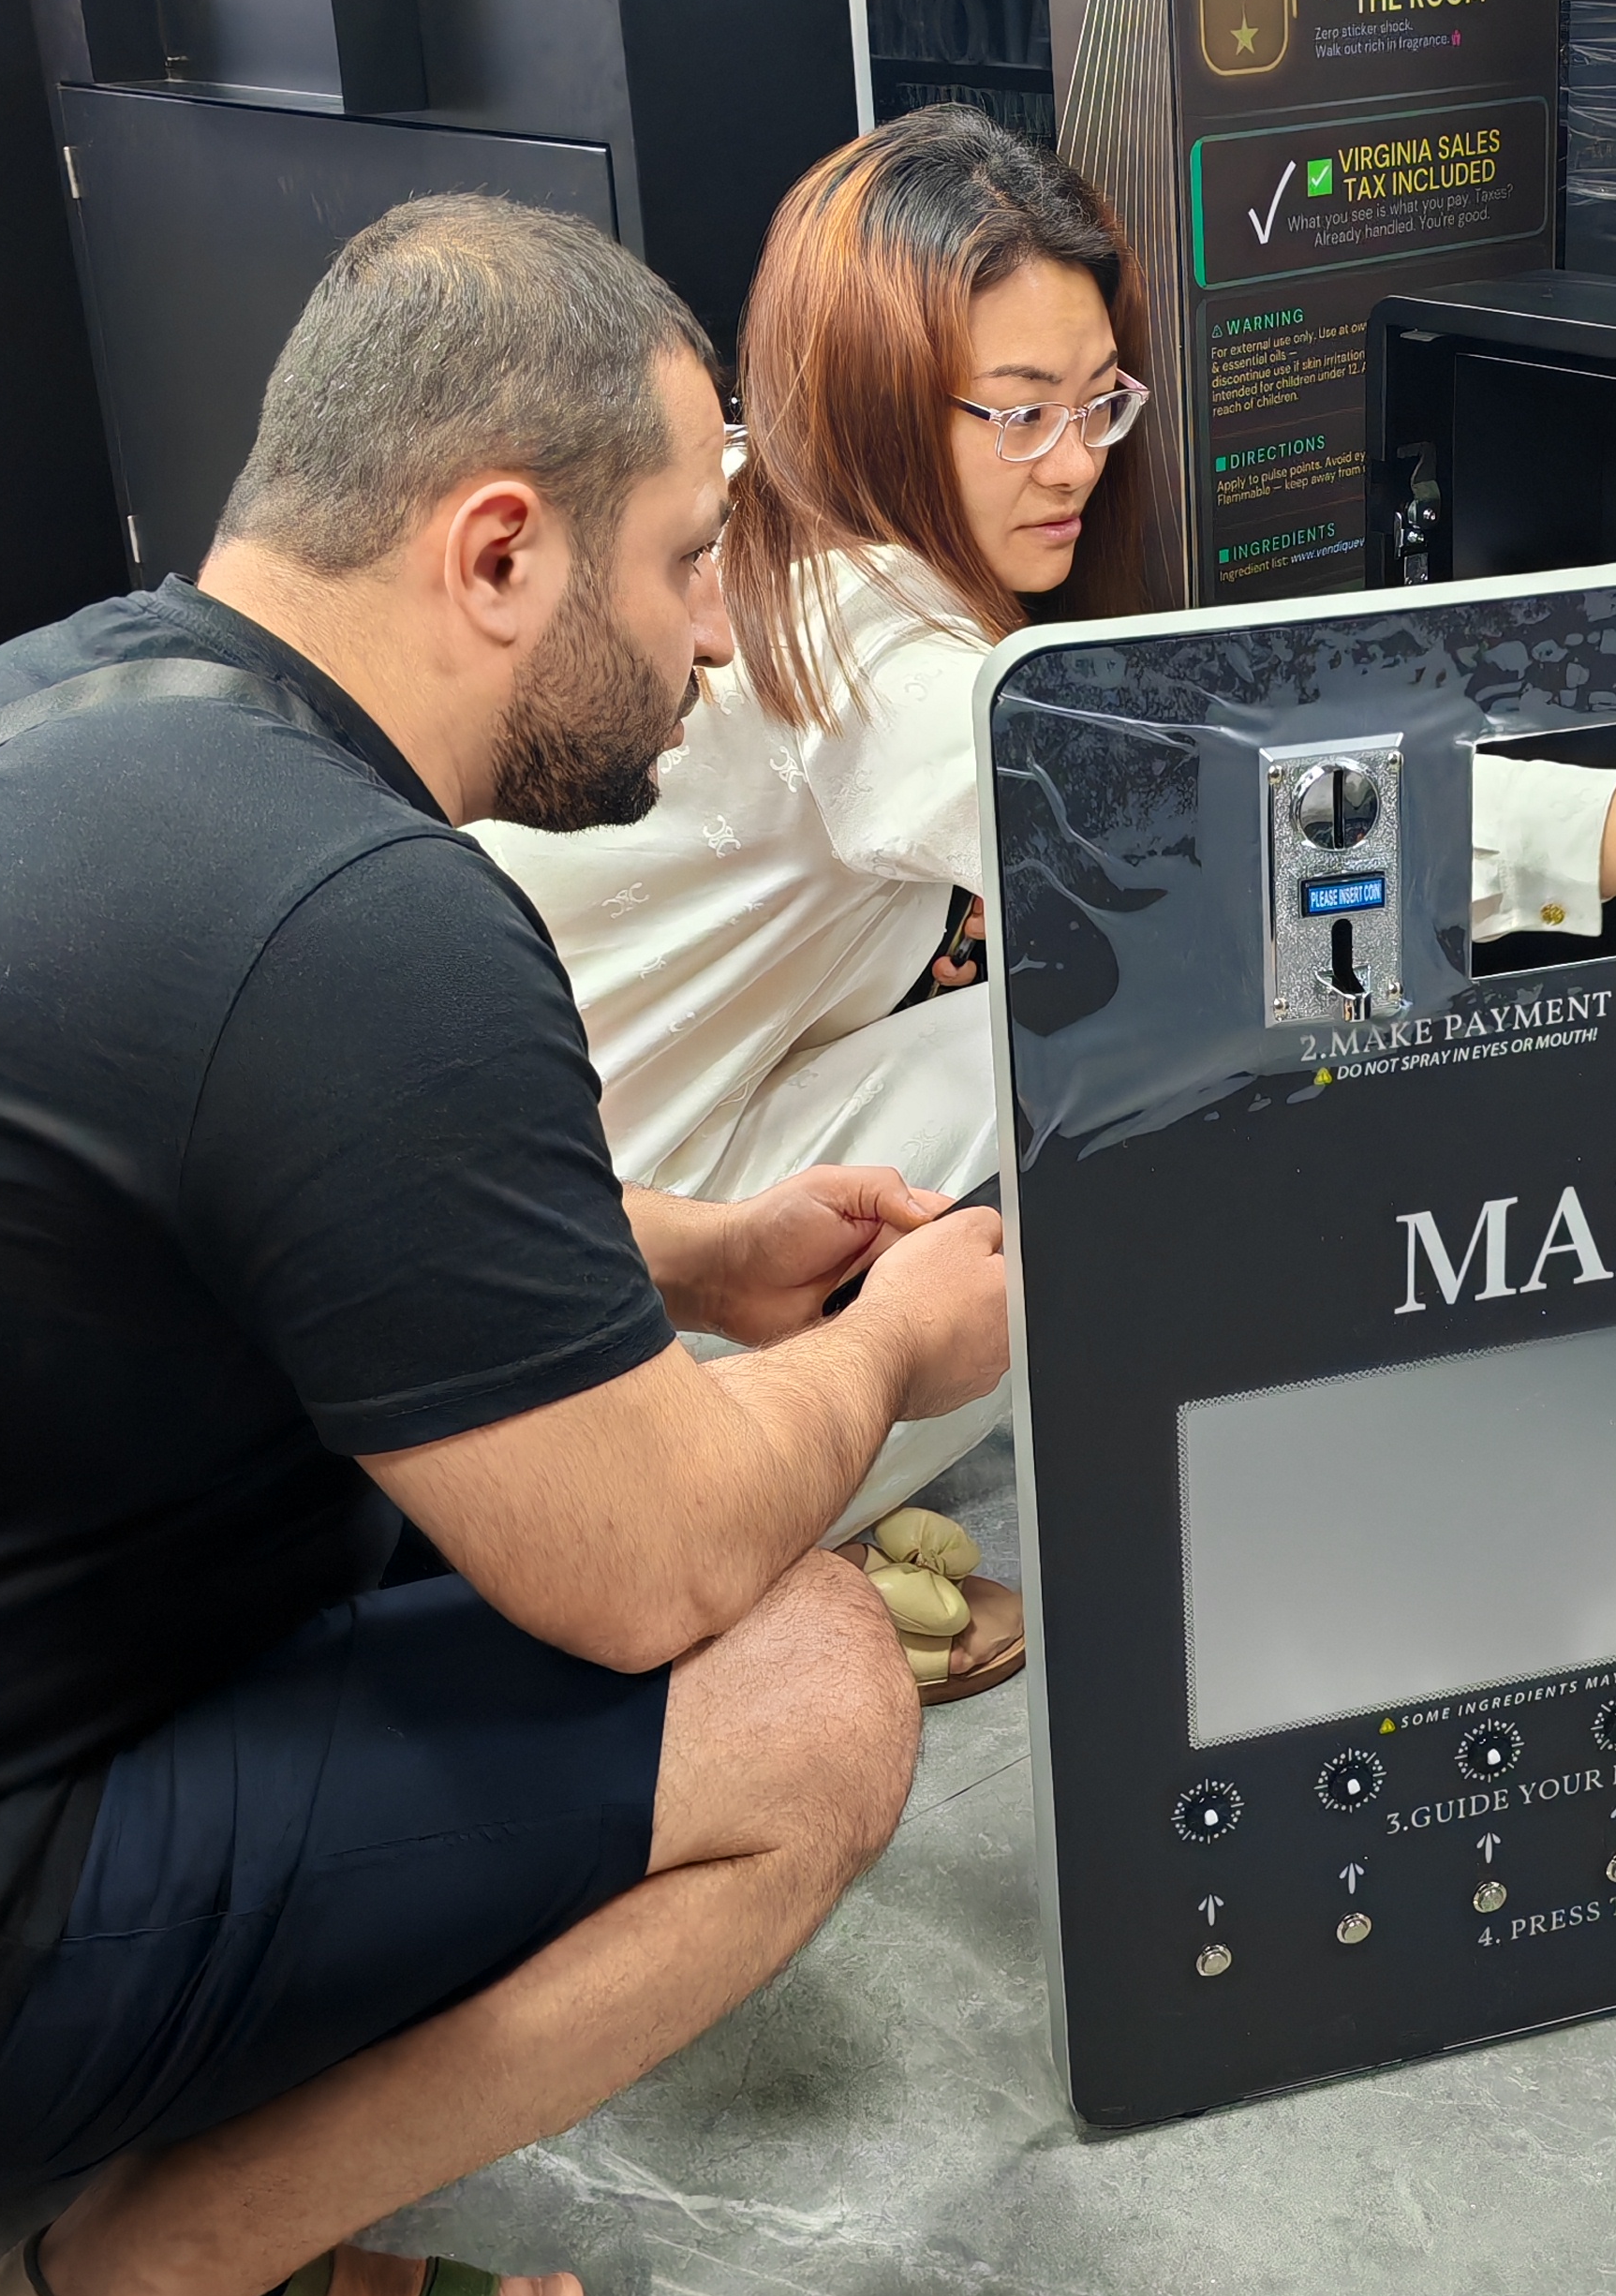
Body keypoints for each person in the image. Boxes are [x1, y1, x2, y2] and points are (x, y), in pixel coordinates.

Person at [0, 194, 1008, 2296]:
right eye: (685, 561)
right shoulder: (369, 919)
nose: (712, 632)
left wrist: (705, 1251)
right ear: (500, 550)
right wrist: (884, 1352)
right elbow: (648, 1567)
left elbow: (276, 1190)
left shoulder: (91, 697)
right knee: (809, 1689)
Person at [482, 108, 1150, 1702]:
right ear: (872, 396)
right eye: (1019, 413)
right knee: (1105, 1041)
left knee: (1018, 999)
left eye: (1099, 401)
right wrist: (1601, 829)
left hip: (545, 1204)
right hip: (585, 1310)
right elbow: (1180, 833)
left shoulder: (735, 510)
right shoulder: (864, 632)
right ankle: (754, 1543)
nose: (1073, 462)